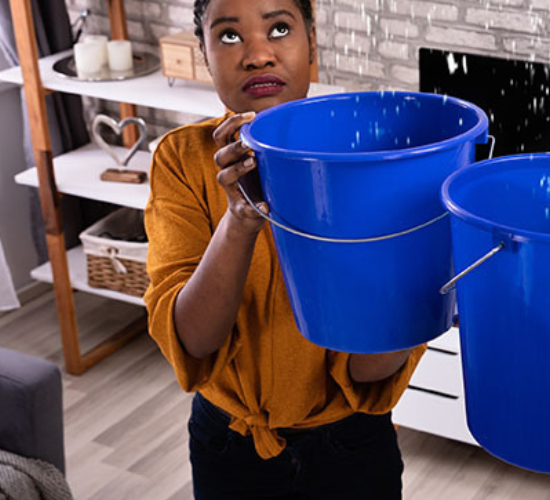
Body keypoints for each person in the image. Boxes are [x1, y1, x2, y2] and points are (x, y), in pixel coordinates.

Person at [143, 0, 423, 498]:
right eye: (229, 36)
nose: (257, 54)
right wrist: (239, 219)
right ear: (204, 55)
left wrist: (425, 292)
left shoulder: (367, 165)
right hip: (228, 446)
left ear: (311, 43)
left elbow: (366, 369)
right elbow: (192, 341)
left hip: (353, 445)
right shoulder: (182, 161)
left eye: (278, 28)